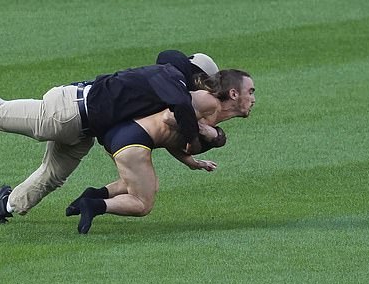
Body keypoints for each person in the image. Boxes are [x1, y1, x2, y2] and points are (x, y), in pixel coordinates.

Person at [0, 38, 222, 223]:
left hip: (83, 128)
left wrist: (189, 154)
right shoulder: (171, 79)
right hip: (65, 111)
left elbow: (164, 127)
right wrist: (200, 139)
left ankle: (2, 209)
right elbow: (177, 96)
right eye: (202, 81)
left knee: (52, 177)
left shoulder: (168, 88)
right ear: (192, 75)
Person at [67, 70, 255, 234]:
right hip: (133, 139)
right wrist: (205, 132)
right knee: (142, 204)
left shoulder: (212, 109)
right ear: (233, 93)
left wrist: (192, 162)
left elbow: (170, 139)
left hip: (125, 135)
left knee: (149, 184)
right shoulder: (209, 102)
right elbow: (170, 117)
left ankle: (94, 194)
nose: (253, 99)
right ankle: (94, 206)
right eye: (250, 92)